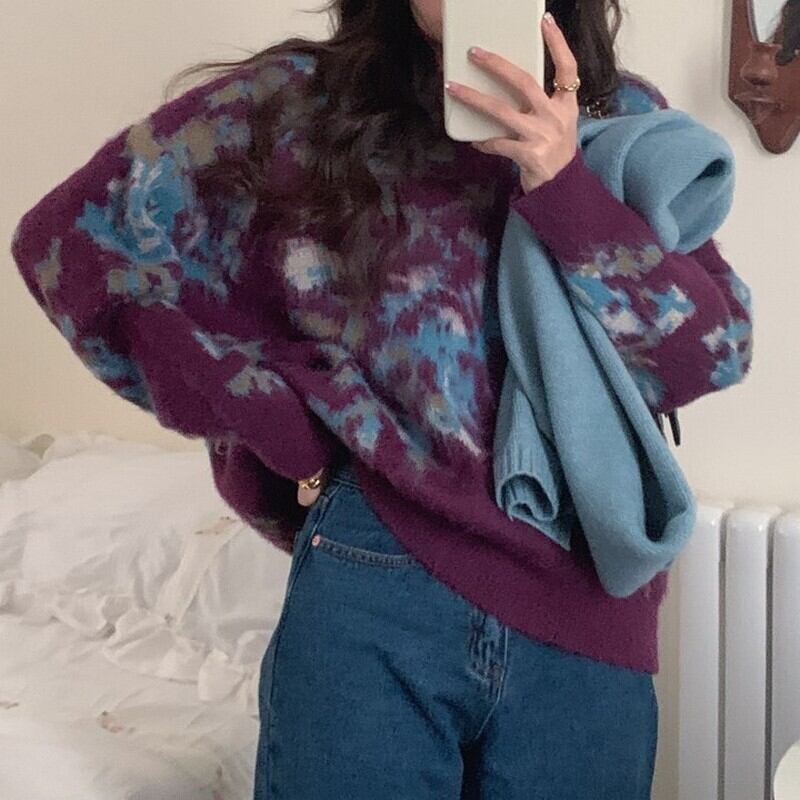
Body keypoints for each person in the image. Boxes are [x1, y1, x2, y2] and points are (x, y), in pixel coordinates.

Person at [10, 0, 753, 797]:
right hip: (376, 584)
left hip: (587, 619)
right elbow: (73, 245)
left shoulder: (624, 120)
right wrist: (276, 421)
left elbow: (709, 355)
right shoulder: (304, 107)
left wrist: (564, 183)